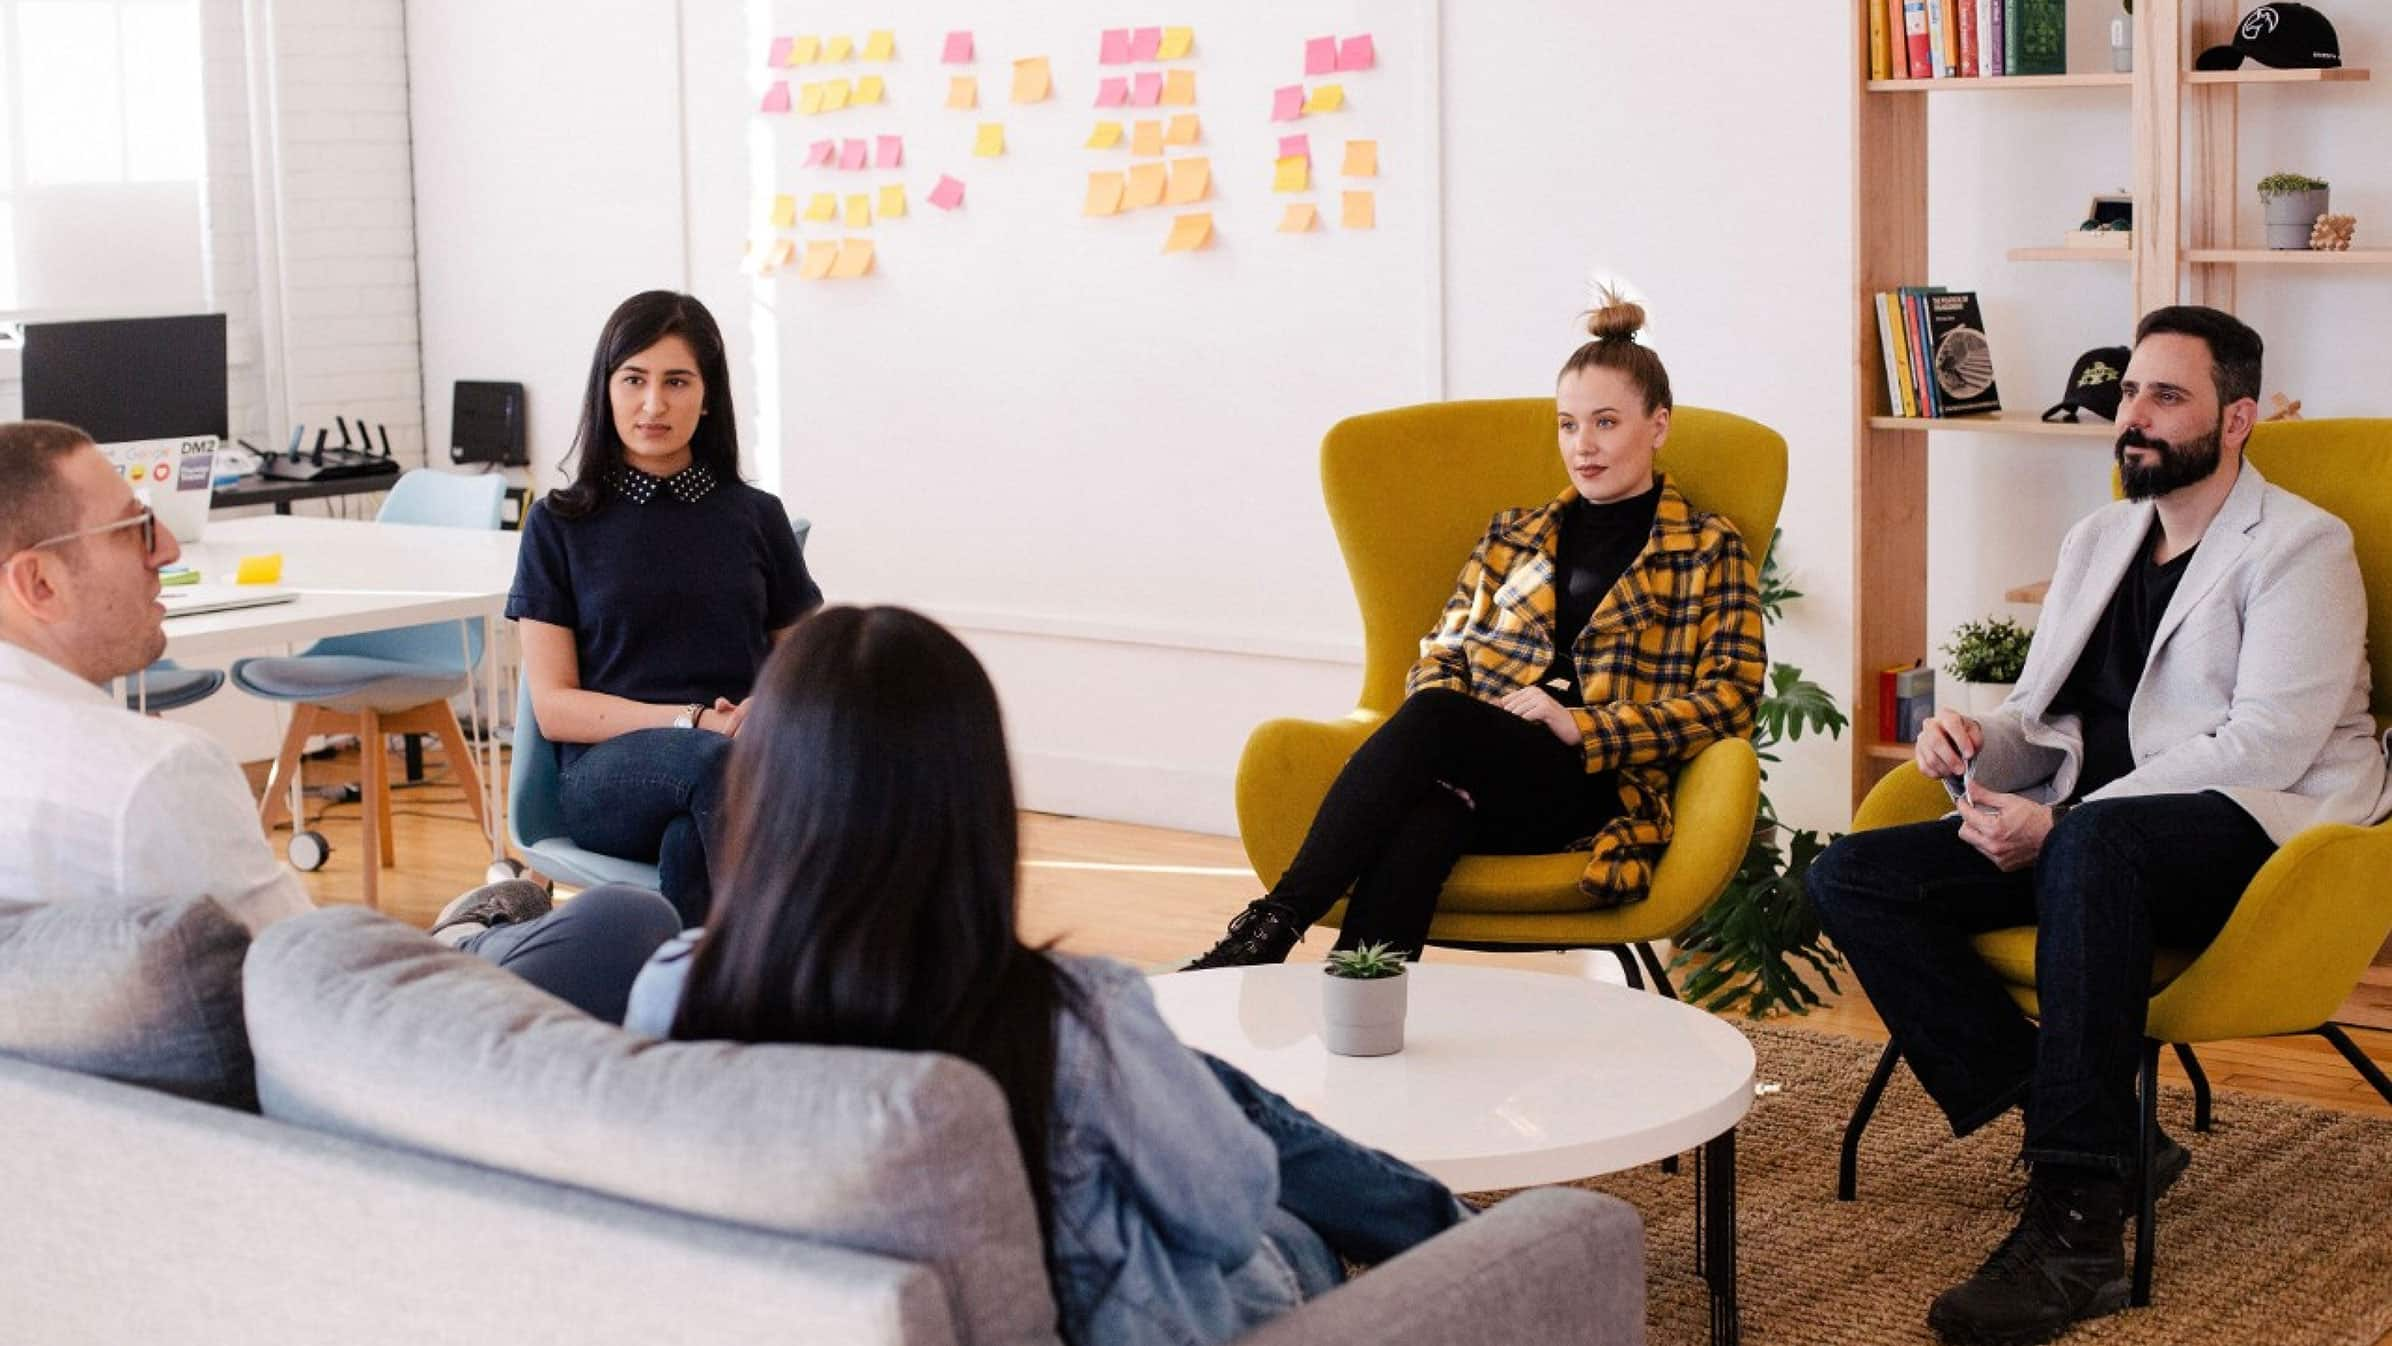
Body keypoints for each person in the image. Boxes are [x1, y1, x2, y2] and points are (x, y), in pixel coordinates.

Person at [624, 606, 1469, 1346]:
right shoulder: (1067, 1017)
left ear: (765, 791)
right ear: (974, 802)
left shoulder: (672, 989)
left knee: (1193, 1086)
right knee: (1281, 1211)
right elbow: (1229, 1213)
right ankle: (1470, 1243)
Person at [1807, 305, 2392, 1346]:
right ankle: (2101, 1125)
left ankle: (2077, 1228)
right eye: (2129, 391)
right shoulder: (2098, 538)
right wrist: (1972, 742)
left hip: (2264, 835)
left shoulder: (2301, 544)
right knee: (1855, 872)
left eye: (2167, 395)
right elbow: (2048, 715)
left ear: (2238, 416)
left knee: (2089, 844)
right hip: (2095, 839)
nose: (2135, 414)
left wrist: (2061, 819)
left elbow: (2266, 744)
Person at [0, 418, 678, 1025]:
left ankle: (457, 939)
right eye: (135, 528)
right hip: (363, 1052)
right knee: (624, 918)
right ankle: (458, 943)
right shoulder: (151, 777)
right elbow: (310, 987)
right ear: (39, 584)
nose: (169, 550)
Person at [1185, 293, 1767, 968]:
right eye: (1568, 424)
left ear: (1658, 425)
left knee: (1435, 721)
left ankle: (1270, 927)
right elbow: (1442, 653)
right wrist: (1481, 727)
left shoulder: (1706, 547)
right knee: (1427, 816)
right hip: (1481, 766)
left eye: (1606, 423)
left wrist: (1585, 724)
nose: (1584, 446)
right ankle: (1358, 999)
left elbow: (1732, 698)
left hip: (1595, 787)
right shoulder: (1512, 536)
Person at [508, 290, 821, 925]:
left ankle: (691, 1006)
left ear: (708, 397)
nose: (654, 404)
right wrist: (695, 720)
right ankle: (806, 972)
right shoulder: (558, 524)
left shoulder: (756, 517)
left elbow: (814, 666)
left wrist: (772, 705)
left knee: (692, 843)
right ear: (607, 390)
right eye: (634, 380)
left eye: (676, 381)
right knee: (719, 766)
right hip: (607, 779)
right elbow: (556, 708)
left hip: (730, 769)